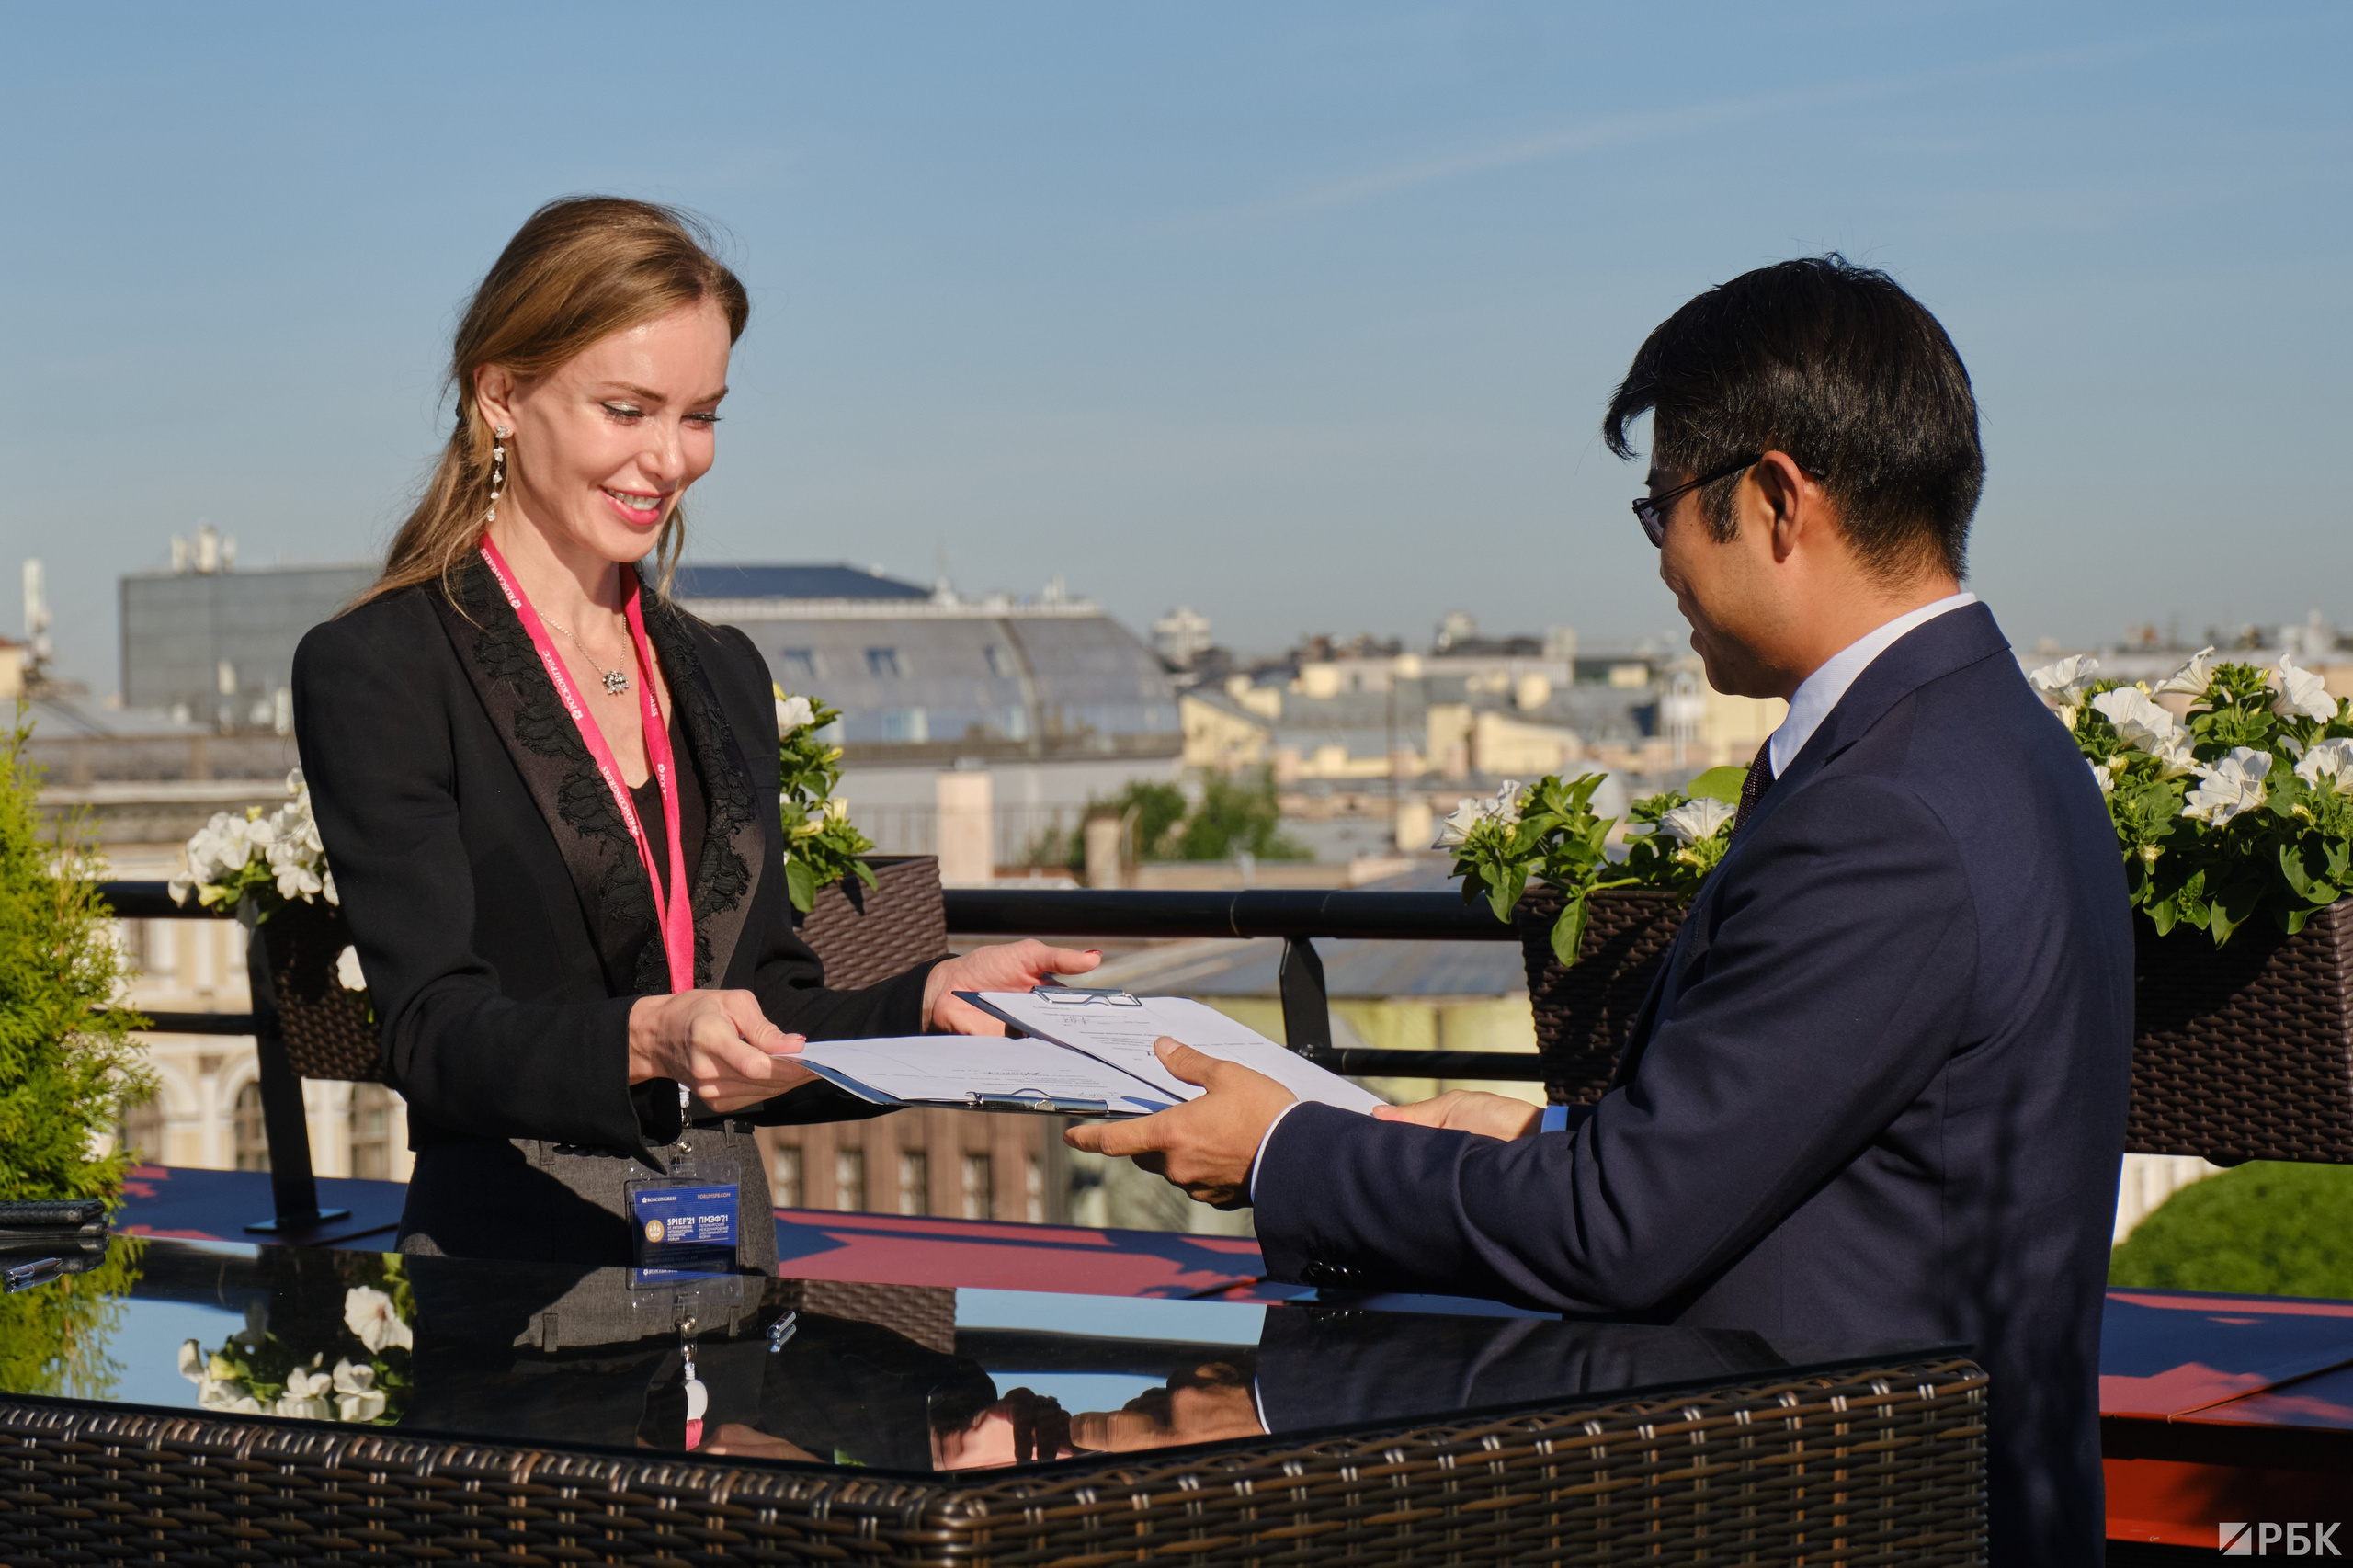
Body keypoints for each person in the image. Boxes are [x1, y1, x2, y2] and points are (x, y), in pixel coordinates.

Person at [1067, 256, 2132, 1564]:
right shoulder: (1977, 738)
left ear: (1775, 497)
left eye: (1665, 510)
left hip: (1850, 1508)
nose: (1666, 563)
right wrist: (1545, 1127)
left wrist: (1283, 1151)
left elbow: (1619, 1230)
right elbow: (1833, 1133)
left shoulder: (1887, 809)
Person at [295, 197, 1095, 1269]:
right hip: (514, 1284)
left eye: (700, 415)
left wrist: (927, 1001)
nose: (670, 460)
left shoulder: (719, 665)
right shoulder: (383, 666)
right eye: (627, 410)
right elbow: (429, 1034)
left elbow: (763, 1002)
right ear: (501, 393)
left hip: (730, 1264)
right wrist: (644, 1040)